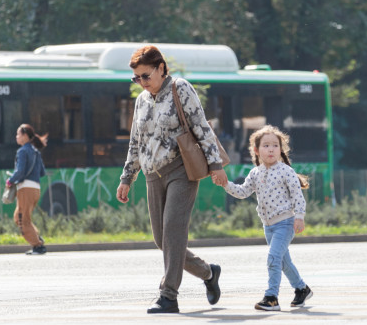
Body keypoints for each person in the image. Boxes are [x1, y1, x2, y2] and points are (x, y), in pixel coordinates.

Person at [115, 45, 228, 314]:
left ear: (161, 68)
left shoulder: (181, 88)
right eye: (136, 78)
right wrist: (127, 177)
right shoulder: (141, 100)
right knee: (162, 239)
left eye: (145, 76)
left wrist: (215, 165)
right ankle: (208, 273)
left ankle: (168, 295)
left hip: (181, 170)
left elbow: (202, 127)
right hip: (152, 174)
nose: (142, 82)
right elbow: (135, 142)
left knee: (174, 231)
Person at [224, 125, 312, 311]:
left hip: (285, 223)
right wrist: (225, 184)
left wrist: (299, 216)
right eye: (266, 146)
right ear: (256, 150)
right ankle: (301, 289)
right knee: (283, 261)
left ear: (281, 149)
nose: (271, 149)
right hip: (268, 226)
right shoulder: (255, 173)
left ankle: (271, 297)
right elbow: (242, 192)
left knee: (273, 258)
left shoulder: (286, 171)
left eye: (275, 145)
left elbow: (298, 196)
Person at [7, 124, 48, 255]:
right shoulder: (36, 151)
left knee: (22, 220)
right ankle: (37, 239)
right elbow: (42, 172)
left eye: (18, 134)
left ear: (25, 136)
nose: (16, 137)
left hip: (25, 189)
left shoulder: (23, 151)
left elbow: (20, 172)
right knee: (18, 217)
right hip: (36, 189)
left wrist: (10, 180)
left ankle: (38, 246)